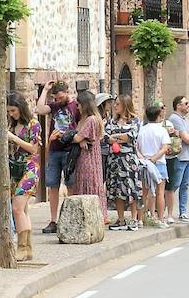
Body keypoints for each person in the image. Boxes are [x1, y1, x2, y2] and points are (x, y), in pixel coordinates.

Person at [37, 81, 78, 233]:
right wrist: (45, 90)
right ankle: (53, 220)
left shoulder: (76, 107)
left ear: (68, 92)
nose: (58, 100)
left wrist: (67, 135)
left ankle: (70, 218)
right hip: (54, 150)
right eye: (56, 98)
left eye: (61, 97)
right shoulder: (55, 106)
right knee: (52, 185)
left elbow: (80, 128)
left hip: (69, 150)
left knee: (70, 185)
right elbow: (39, 109)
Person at [6, 92, 41, 260]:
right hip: (14, 169)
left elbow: (33, 148)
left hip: (29, 168)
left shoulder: (33, 124)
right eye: (9, 111)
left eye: (13, 110)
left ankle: (22, 247)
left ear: (21, 108)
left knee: (17, 208)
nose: (11, 114)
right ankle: (27, 248)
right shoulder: (11, 125)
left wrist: (13, 138)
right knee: (23, 211)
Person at [68, 89, 108, 224]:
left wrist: (69, 136)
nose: (77, 107)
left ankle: (95, 215)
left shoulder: (91, 120)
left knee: (89, 183)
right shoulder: (87, 119)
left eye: (79, 104)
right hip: (86, 156)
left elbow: (78, 137)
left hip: (89, 158)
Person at [104, 94, 142, 230]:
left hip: (129, 159)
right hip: (114, 159)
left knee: (131, 188)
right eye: (115, 103)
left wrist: (115, 137)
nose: (115, 106)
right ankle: (120, 219)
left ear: (125, 105)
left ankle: (133, 218)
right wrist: (119, 138)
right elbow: (106, 137)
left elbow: (131, 136)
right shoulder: (111, 122)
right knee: (116, 189)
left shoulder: (134, 121)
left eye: (118, 104)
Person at [137, 103, 171, 226]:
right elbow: (164, 148)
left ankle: (139, 219)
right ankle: (160, 219)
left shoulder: (141, 130)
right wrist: (154, 158)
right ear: (157, 116)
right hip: (159, 163)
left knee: (144, 193)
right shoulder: (161, 130)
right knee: (160, 192)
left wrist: (145, 158)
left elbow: (137, 147)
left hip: (144, 163)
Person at [166, 95, 189, 220]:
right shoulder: (175, 118)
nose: (188, 105)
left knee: (185, 185)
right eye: (186, 103)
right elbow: (188, 139)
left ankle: (183, 211)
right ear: (179, 106)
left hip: (187, 156)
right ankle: (163, 209)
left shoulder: (185, 119)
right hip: (179, 156)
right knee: (174, 185)